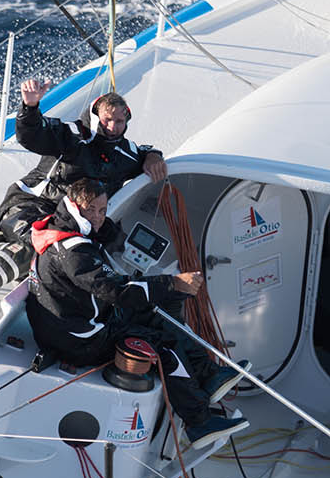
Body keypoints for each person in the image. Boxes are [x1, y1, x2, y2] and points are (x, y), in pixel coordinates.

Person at [26, 178, 249, 447]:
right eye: (90, 210)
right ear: (74, 207)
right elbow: (115, 289)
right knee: (162, 342)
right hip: (81, 341)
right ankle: (199, 422)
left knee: (155, 313)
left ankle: (208, 375)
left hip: (63, 326)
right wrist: (173, 283)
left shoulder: (55, 228)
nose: (97, 217)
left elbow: (105, 267)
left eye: (102, 209)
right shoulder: (74, 252)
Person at [0, 78, 168, 315]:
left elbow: (144, 153)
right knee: (50, 246)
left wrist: (153, 155)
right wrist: (30, 107)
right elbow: (33, 133)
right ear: (96, 116)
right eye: (107, 119)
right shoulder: (72, 135)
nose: (113, 127)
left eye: (119, 121)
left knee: (104, 248)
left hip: (74, 217)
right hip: (29, 205)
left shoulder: (124, 153)